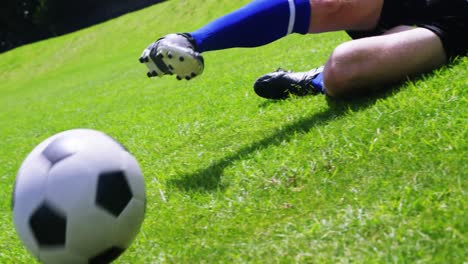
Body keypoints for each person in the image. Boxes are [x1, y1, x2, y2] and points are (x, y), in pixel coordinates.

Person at [139, 0, 467, 99]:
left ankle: (313, 80)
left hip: (457, 24)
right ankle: (190, 40)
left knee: (343, 69)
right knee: (332, 2)